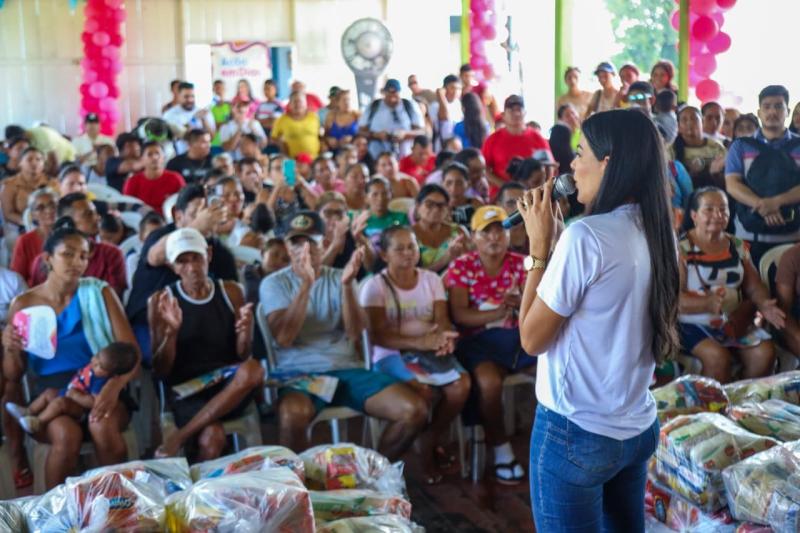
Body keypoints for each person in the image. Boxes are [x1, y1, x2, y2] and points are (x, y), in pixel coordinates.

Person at [514, 109, 678, 529]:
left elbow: (531, 339)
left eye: (580, 152)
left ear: (608, 163)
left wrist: (539, 250)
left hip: (576, 432)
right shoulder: (659, 231)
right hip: (635, 427)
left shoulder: (585, 236)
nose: (571, 166)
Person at [260, 211, 428, 457]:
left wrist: (348, 286)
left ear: (325, 244)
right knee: (292, 414)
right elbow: (284, 338)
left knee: (414, 410)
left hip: (346, 369)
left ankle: (373, 472)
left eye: (311, 243)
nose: (303, 251)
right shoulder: (274, 283)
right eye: (296, 244)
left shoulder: (340, 278)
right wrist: (306, 285)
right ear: (286, 247)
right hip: (299, 374)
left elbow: (355, 333)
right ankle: (300, 480)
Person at [2, 222, 140, 489]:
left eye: (83, 256)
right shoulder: (24, 304)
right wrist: (10, 347)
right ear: (48, 259)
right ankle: (57, 511)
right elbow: (13, 374)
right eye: (68, 254)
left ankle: (118, 505)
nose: (77, 262)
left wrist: (113, 388)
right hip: (51, 394)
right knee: (66, 435)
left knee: (102, 425)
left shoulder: (99, 292)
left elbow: (131, 353)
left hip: (100, 385)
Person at [360, 225, 470, 484]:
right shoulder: (374, 287)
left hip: (427, 350)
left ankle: (430, 437)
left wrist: (444, 339)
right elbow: (378, 336)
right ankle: (384, 467)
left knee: (461, 386)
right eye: (399, 249)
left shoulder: (431, 279)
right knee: (424, 392)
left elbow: (442, 320)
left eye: (411, 247)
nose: (408, 253)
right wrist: (420, 342)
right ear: (384, 255)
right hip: (391, 352)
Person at [149, 227, 264, 460]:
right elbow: (161, 370)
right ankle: (204, 481)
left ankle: (181, 436)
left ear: (208, 255)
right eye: (182, 261)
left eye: (196, 258)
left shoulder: (231, 291)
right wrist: (171, 333)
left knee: (254, 369)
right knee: (212, 437)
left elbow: (243, 355)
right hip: (188, 392)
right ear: (172, 266)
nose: (192, 267)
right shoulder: (161, 301)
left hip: (229, 387)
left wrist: (245, 332)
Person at [444, 205, 531, 484]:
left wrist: (521, 303)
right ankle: (501, 448)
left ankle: (554, 444)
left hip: (518, 340)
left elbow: (537, 304)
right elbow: (460, 315)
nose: (494, 237)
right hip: (478, 343)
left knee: (555, 372)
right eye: (486, 232)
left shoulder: (523, 263)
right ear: (473, 237)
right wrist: (498, 312)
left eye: (500, 231)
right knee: (489, 383)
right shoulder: (462, 266)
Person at [678, 187, 783, 383]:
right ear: (694, 215)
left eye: (723, 209)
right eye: (709, 209)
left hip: (732, 322)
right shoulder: (680, 249)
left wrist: (764, 304)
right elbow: (671, 299)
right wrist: (706, 304)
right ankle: (712, 403)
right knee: (718, 358)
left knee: (764, 353)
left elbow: (753, 286)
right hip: (690, 324)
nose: (718, 215)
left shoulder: (737, 245)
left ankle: (742, 399)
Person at [125, 185, 238, 363]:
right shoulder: (160, 236)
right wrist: (197, 227)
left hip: (196, 325)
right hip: (147, 322)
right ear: (178, 216)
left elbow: (229, 297)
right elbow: (155, 257)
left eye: (209, 215)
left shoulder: (219, 252)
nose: (206, 220)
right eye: (196, 214)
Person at [725, 85, 800, 268]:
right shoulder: (740, 146)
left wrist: (775, 202)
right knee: (750, 284)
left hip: (794, 236)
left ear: (787, 111)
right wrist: (761, 204)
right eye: (766, 107)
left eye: (778, 106)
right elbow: (732, 184)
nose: (772, 112)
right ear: (759, 112)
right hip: (747, 235)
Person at [5, 341, 138, 434]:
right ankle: (28, 411)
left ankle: (38, 423)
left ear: (112, 374)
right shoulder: (95, 368)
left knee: (59, 404)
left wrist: (76, 396)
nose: (94, 362)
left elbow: (94, 402)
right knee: (49, 393)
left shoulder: (101, 382)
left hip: (79, 408)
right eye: (97, 356)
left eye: (100, 366)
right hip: (70, 392)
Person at [29, 198, 128, 297]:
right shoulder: (44, 261)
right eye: (88, 214)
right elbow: (36, 297)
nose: (97, 218)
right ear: (68, 220)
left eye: (83, 256)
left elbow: (113, 296)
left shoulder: (111, 253)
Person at [482, 95, 552, 195]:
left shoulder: (538, 138)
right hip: (501, 196)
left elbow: (549, 167)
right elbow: (484, 169)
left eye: (519, 109)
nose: (516, 113)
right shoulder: (492, 140)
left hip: (532, 196)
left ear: (525, 113)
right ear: (503, 115)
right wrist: (506, 187)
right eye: (511, 110)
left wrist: (543, 191)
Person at [359, 79, 425, 160]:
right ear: (384, 93)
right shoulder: (374, 106)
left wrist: (405, 134)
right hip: (377, 154)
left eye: (395, 95)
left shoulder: (409, 105)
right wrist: (375, 135)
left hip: (404, 154)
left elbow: (422, 131)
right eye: (389, 95)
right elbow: (360, 131)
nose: (391, 99)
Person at [1, 147, 55, 245]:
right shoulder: (10, 185)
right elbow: (8, 213)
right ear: (20, 163)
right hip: (21, 226)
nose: (34, 163)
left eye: (38, 159)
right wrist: (26, 222)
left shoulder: (53, 183)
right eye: (29, 159)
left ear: (43, 163)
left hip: (50, 224)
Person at [412, 185, 469, 273]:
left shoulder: (458, 231)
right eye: (429, 204)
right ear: (418, 206)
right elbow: (411, 274)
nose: (436, 209)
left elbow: (470, 265)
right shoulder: (408, 235)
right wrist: (444, 260)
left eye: (441, 205)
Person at [671, 106, 727, 189]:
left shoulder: (716, 147)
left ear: (702, 122)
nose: (689, 123)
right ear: (678, 127)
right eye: (684, 120)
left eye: (694, 119)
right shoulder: (671, 149)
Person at [124, 142, 186, 215]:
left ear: (163, 157)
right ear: (142, 159)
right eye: (149, 154)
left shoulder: (176, 178)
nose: (155, 157)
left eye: (157, 153)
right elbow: (127, 206)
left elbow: (184, 203)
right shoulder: (132, 181)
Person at [11, 188, 57, 286]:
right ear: (33, 215)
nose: (49, 210)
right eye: (40, 208)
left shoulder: (70, 236)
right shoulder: (25, 241)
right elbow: (17, 279)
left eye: (52, 205)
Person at [162, 82, 216, 154]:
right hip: (181, 155)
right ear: (178, 96)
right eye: (186, 97)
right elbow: (180, 136)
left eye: (192, 96)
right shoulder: (170, 115)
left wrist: (203, 120)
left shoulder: (204, 112)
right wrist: (194, 119)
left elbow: (212, 137)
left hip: (205, 155)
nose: (190, 100)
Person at [271, 91, 321, 159]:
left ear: (306, 103)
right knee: (286, 166)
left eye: (300, 101)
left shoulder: (314, 117)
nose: (297, 104)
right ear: (289, 104)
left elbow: (320, 135)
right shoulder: (282, 119)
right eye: (295, 102)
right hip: (290, 159)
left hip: (314, 159)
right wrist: (281, 145)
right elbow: (273, 138)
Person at [363, 176, 408, 244]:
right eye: (375, 194)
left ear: (391, 195)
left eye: (385, 194)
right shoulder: (362, 221)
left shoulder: (401, 217)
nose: (380, 198)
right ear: (366, 198)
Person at [442, 161, 481, 226]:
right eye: (449, 183)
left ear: (468, 184)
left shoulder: (475, 204)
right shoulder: (438, 207)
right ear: (442, 184)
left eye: (459, 183)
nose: (453, 188)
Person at [430, 74, 463, 146]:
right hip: (442, 145)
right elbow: (445, 117)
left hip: (458, 144)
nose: (456, 92)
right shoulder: (435, 105)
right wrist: (441, 96)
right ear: (444, 89)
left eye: (459, 89)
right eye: (452, 88)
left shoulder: (458, 104)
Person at [550, 104, 580, 175]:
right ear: (561, 120)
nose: (572, 117)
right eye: (567, 115)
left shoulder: (582, 133)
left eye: (573, 113)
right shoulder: (559, 132)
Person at [208, 79, 232, 150]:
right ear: (213, 90)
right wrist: (223, 123)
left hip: (228, 141)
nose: (219, 91)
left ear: (225, 89)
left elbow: (232, 122)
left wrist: (219, 124)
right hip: (215, 142)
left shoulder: (230, 105)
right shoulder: (210, 107)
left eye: (221, 88)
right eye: (217, 88)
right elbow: (212, 126)